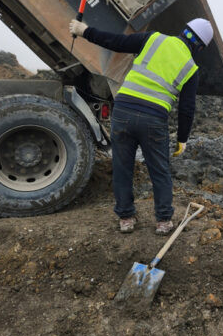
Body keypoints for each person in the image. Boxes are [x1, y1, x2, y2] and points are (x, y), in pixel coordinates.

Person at [69, 18, 214, 235]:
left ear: (184, 30)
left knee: (122, 167)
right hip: (153, 120)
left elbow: (115, 42)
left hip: (124, 111)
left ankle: (126, 218)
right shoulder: (191, 68)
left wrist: (84, 30)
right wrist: (182, 139)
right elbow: (187, 109)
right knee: (160, 171)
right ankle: (164, 221)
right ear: (200, 47)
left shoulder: (153, 39)